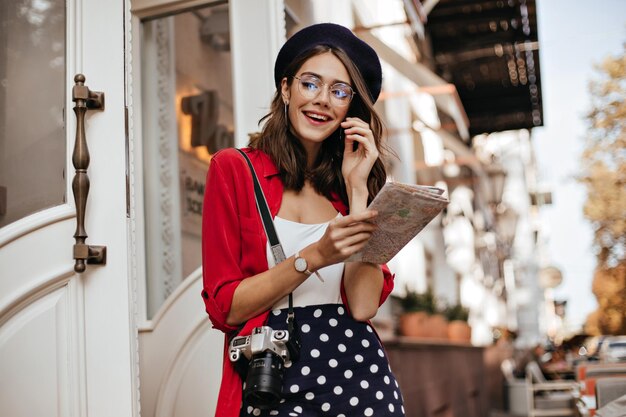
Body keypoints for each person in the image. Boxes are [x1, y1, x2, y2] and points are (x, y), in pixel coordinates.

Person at [201, 22, 404, 417]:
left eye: (339, 92)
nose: (323, 100)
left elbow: (362, 307)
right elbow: (226, 307)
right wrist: (314, 256)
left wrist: (358, 191)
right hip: (274, 377)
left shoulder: (347, 191)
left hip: (361, 380)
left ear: (351, 109)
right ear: (286, 89)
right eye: (311, 83)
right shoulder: (235, 170)